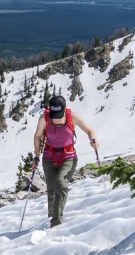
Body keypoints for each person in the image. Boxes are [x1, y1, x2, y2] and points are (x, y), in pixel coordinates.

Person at [32, 95, 99, 227]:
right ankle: (51, 215)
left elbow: (90, 130)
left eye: (59, 115)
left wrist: (93, 139)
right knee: (51, 188)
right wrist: (37, 156)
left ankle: (56, 222)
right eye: (54, 115)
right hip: (49, 157)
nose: (56, 119)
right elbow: (38, 136)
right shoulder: (44, 118)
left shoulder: (73, 117)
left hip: (68, 156)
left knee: (60, 184)